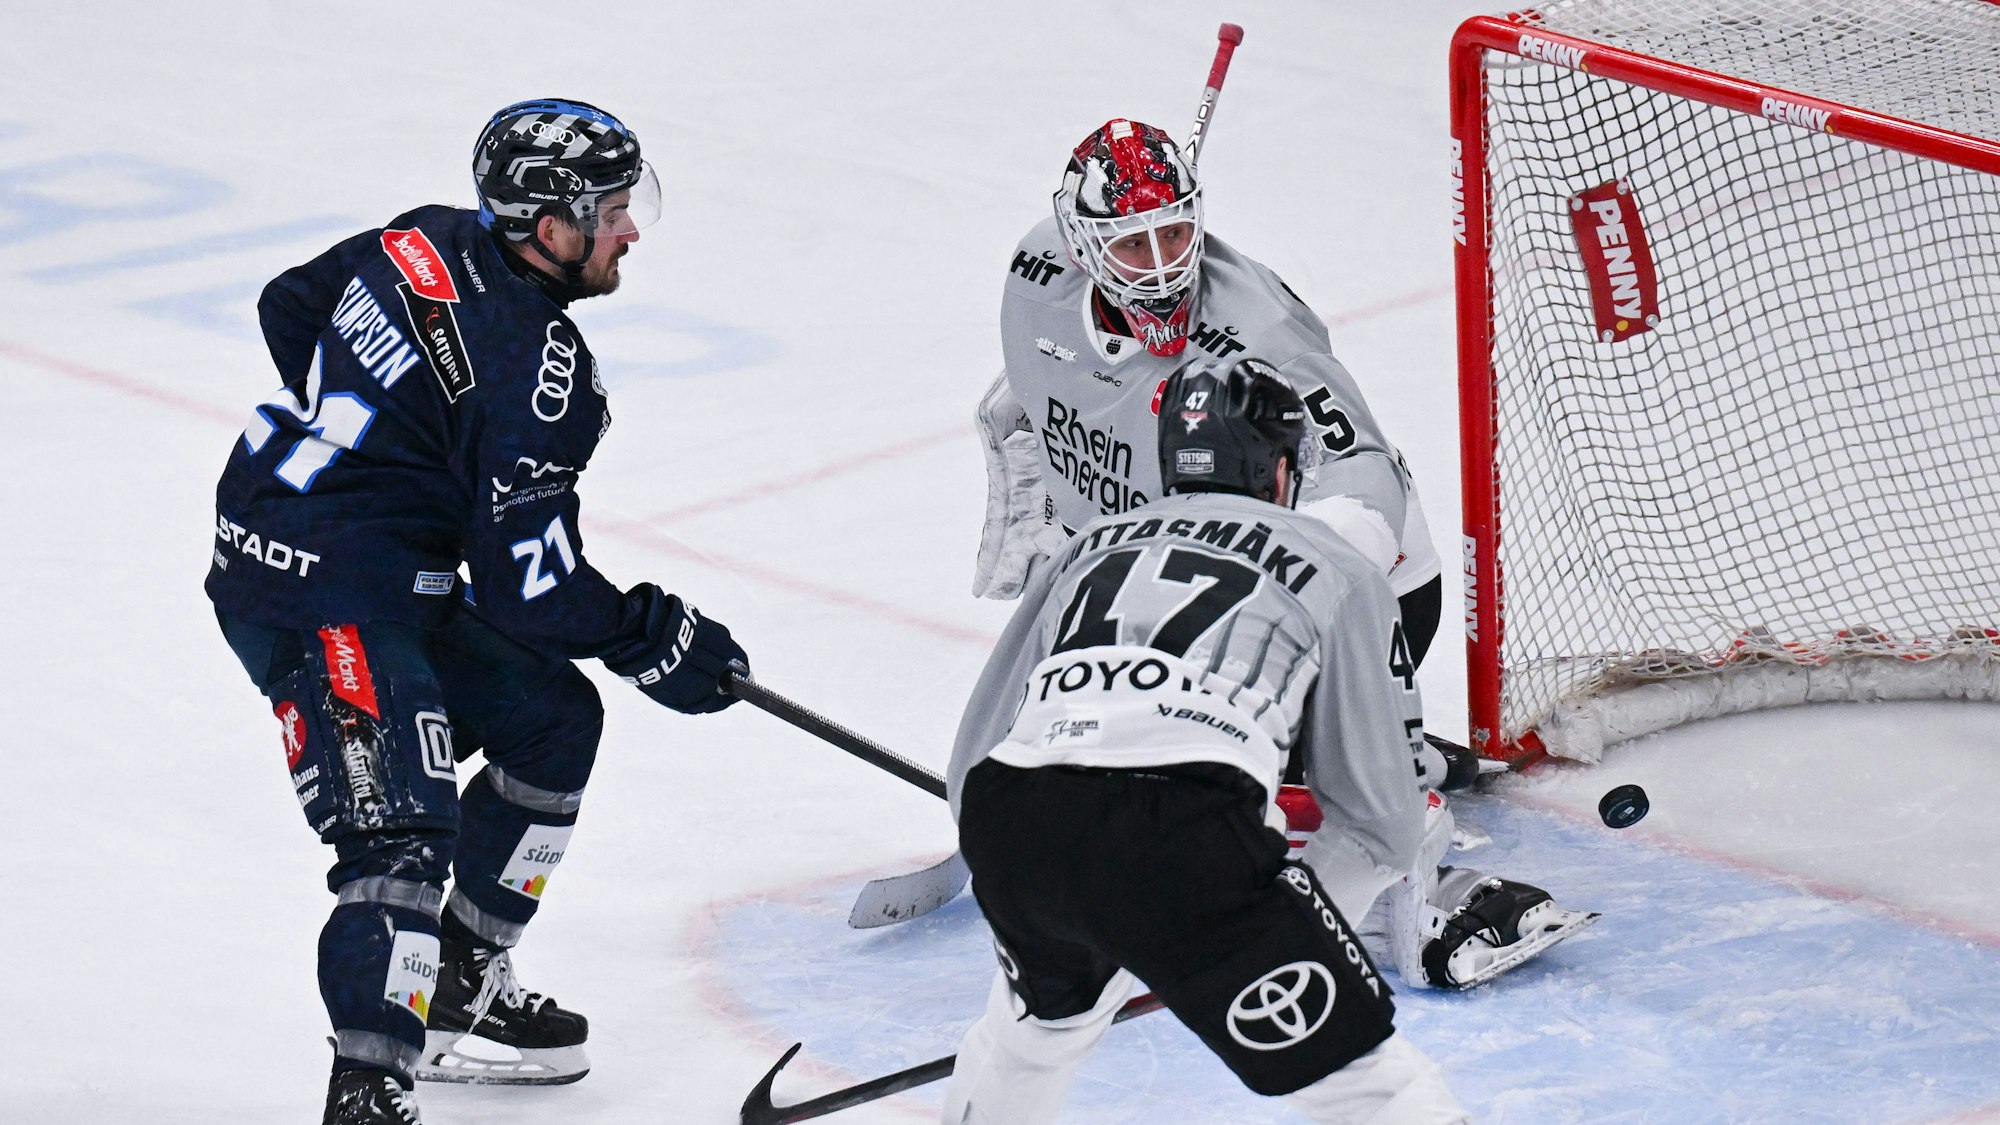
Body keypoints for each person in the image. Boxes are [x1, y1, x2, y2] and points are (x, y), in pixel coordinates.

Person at [207, 99, 748, 1124]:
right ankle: (368, 1094)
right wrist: (653, 637)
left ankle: (459, 978)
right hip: (323, 599)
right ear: (550, 228)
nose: (632, 230)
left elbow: (291, 305)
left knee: (551, 720)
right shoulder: (539, 377)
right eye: (615, 210)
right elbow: (529, 590)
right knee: (400, 840)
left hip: (324, 558)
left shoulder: (425, 236)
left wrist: (382, 459)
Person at [942, 359, 1472, 1123]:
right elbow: (1381, 821)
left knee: (1029, 1038)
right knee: (1378, 1088)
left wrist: (1088, 900)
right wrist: (1236, 929)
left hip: (1013, 818)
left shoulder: (1088, 545)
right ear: (1282, 469)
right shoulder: (1337, 562)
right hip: (1182, 837)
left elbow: (973, 767)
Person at [972, 118, 1445, 672]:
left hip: (1349, 599)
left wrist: (1292, 598)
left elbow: (1360, 466)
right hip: (1141, 574)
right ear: (1081, 246)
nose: (1163, 266)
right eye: (1133, 244)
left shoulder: (1262, 333)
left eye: (1173, 233)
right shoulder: (1040, 270)